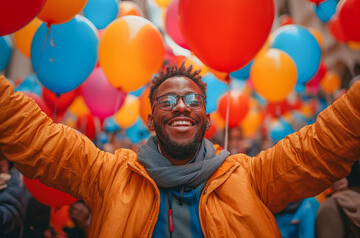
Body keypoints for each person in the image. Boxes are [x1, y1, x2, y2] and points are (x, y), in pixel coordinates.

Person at [0, 63, 360, 237]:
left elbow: (322, 146)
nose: (181, 107)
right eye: (167, 100)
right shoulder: (107, 176)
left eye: (193, 100)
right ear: (152, 119)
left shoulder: (250, 177)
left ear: (206, 118)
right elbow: (36, 137)